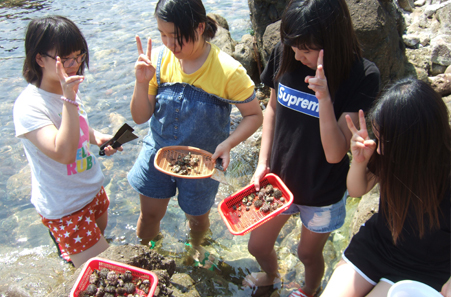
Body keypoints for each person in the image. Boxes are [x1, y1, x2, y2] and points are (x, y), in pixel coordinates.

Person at [244, 0, 381, 296]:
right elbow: (271, 109)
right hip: (278, 182)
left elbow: (335, 153)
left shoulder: (362, 75)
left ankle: (310, 288)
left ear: (332, 41)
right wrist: (262, 162)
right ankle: (272, 275)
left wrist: (324, 98)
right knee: (257, 245)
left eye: (305, 50)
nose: (297, 55)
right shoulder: (287, 52)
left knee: (308, 254)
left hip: (322, 191)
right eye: (293, 47)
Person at [127, 0, 263, 266]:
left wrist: (228, 143)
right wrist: (141, 82)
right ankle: (147, 257)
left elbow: (254, 115)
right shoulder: (160, 60)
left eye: (176, 37)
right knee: (150, 215)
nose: (168, 44)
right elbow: (140, 117)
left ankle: (194, 251)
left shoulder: (228, 71)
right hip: (158, 152)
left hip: (203, 161)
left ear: (200, 27)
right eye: (162, 34)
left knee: (197, 217)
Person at [320, 78, 451, 297]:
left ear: (414, 142)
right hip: (378, 245)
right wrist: (360, 161)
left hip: (424, 268)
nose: (379, 150)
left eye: (385, 141)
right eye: (378, 138)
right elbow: (355, 191)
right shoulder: (391, 155)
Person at [13, 16, 121, 268]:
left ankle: (71, 260)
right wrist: (69, 98)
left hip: (92, 190)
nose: (75, 65)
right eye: (66, 59)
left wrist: (96, 138)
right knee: (106, 270)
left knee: (95, 257)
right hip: (66, 208)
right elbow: (63, 153)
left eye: (79, 56)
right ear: (40, 59)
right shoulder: (28, 106)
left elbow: (78, 128)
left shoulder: (67, 88)